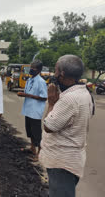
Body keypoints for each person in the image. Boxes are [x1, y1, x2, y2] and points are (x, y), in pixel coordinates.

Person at [39, 55, 93, 197]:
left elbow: (49, 126)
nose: (54, 74)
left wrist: (51, 103)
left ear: (61, 74)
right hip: (71, 159)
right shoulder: (84, 93)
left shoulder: (69, 99)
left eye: (55, 70)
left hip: (62, 162)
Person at [17, 60, 47, 161]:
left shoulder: (41, 82)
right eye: (31, 67)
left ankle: (39, 154)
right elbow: (28, 91)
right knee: (29, 131)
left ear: (38, 70)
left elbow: (44, 97)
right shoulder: (30, 80)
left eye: (33, 68)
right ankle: (32, 148)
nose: (31, 70)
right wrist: (23, 93)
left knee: (37, 134)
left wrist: (26, 95)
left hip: (35, 112)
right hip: (28, 110)